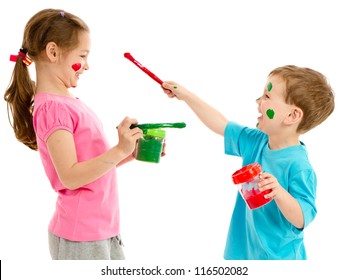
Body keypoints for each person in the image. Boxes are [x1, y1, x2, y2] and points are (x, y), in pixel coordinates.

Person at [4, 8, 143, 260]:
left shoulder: (65, 102)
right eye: (82, 55)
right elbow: (69, 176)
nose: (87, 66)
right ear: (53, 52)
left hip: (103, 229)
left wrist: (129, 153)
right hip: (81, 237)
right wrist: (118, 150)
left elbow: (89, 166)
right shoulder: (53, 108)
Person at [161, 65, 334, 260]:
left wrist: (279, 193)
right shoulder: (257, 141)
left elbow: (302, 218)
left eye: (267, 97)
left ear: (292, 116)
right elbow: (221, 124)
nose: (258, 101)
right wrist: (185, 95)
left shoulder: (299, 166)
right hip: (242, 254)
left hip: (278, 261)